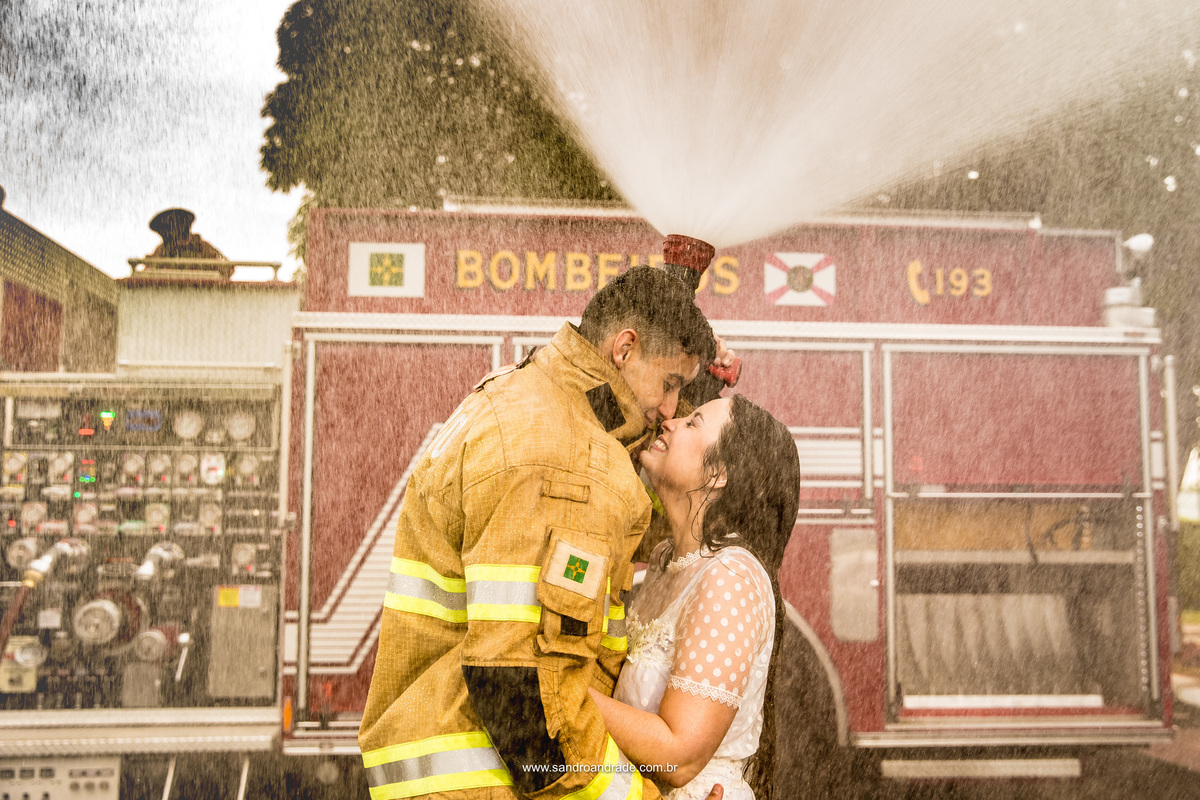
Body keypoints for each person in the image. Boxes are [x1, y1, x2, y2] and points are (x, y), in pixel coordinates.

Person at [359, 266, 728, 800]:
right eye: (670, 384)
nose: (671, 409)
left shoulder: (522, 400)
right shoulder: (565, 457)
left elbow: (634, 523)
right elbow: (527, 697)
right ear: (624, 348)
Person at [588, 394, 802, 800]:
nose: (670, 420)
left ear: (718, 473)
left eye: (692, 422)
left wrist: (560, 691)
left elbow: (680, 755)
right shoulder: (666, 559)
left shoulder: (729, 576)